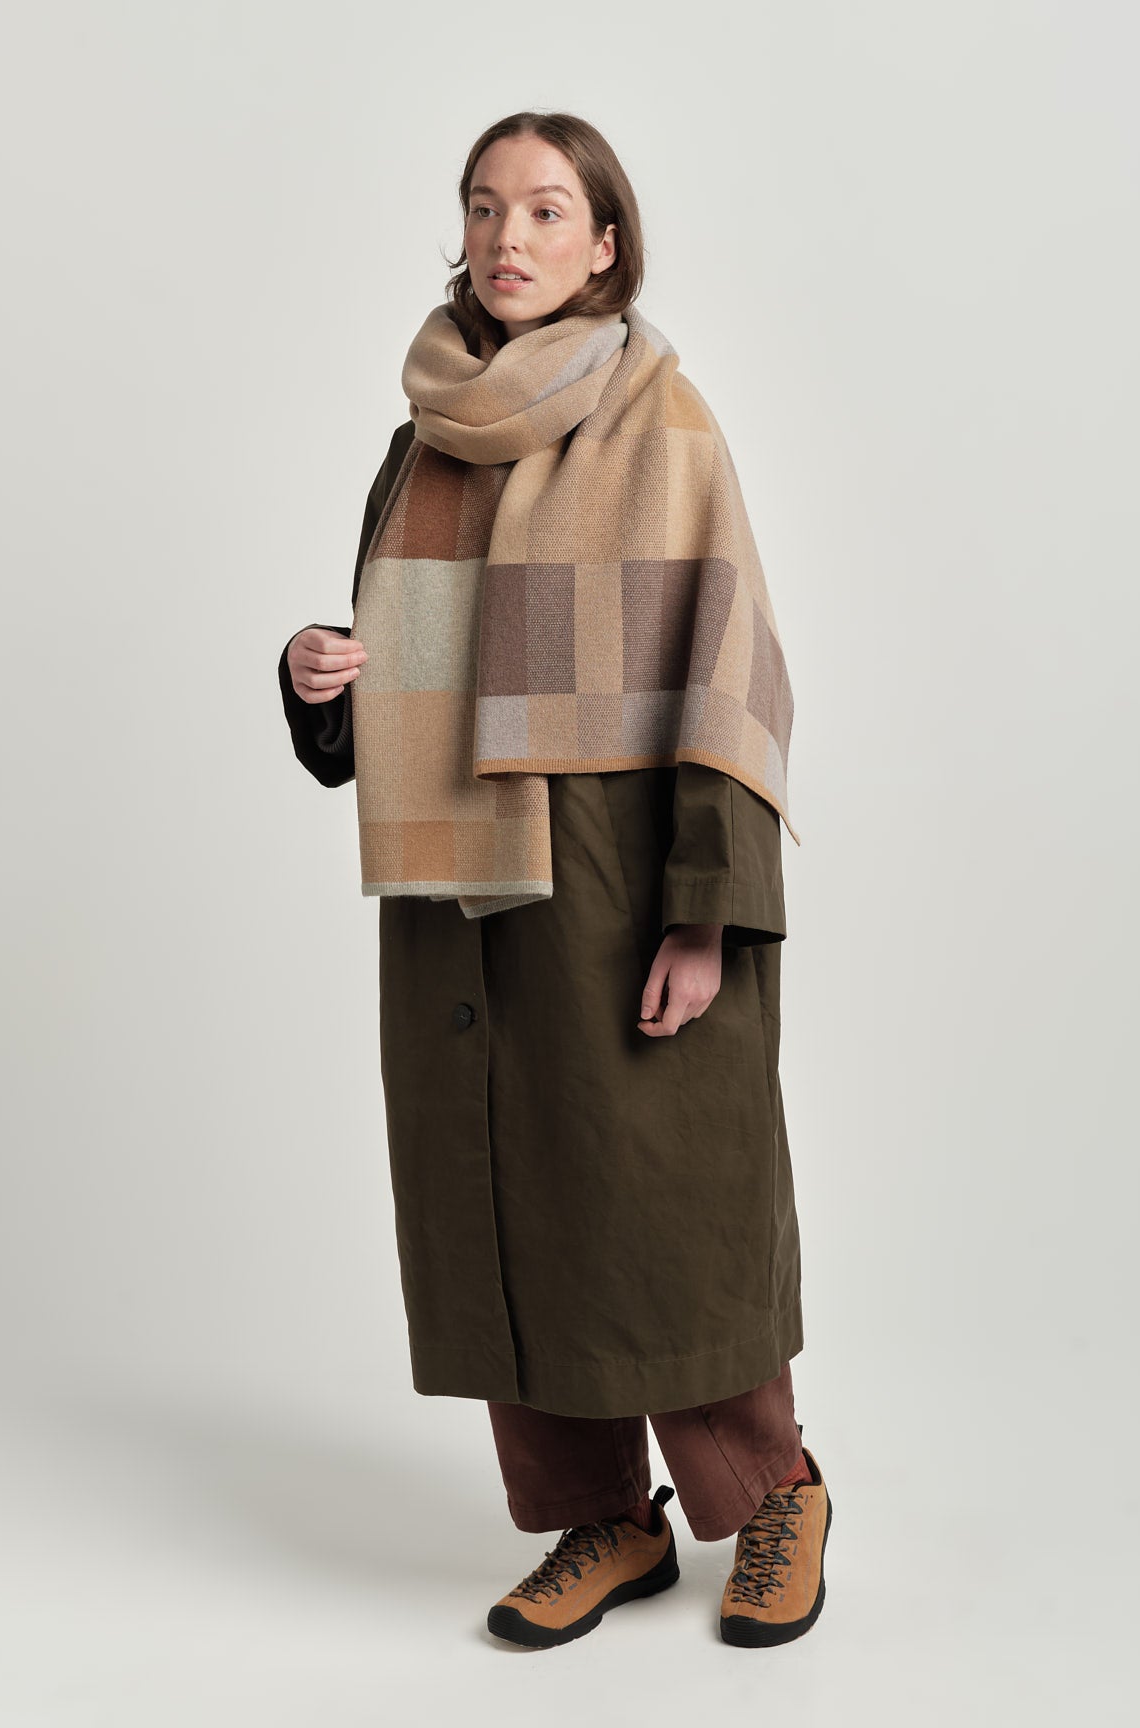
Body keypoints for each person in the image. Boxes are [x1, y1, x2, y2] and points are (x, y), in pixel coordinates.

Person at [277, 111, 832, 1649]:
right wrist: (321, 673)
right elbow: (406, 670)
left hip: (624, 875)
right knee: (510, 1199)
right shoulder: (426, 439)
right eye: (482, 207)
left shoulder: (666, 424)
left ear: (604, 244)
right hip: (463, 887)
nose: (505, 236)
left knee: (663, 1201)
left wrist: (706, 916)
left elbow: (729, 674)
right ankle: (605, 1521)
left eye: (542, 209)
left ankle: (777, 1493)